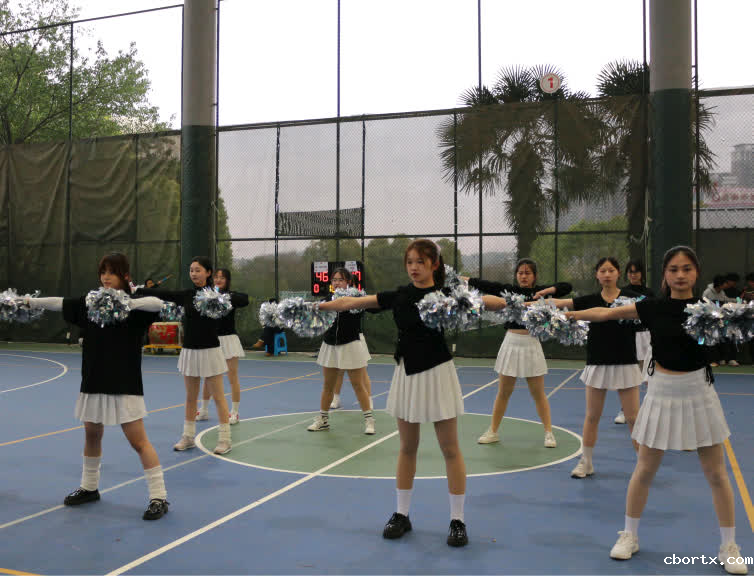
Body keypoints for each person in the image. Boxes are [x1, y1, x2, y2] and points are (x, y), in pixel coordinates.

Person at [565, 246, 748, 574]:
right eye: (674, 269)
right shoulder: (652, 307)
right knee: (645, 469)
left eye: (687, 268)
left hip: (699, 392)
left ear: (696, 272)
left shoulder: (711, 309)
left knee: (717, 474)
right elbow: (606, 313)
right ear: (665, 274)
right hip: (661, 391)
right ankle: (629, 535)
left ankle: (729, 546)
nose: (680, 275)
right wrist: (572, 315)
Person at [320, 239, 503, 547]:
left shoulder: (447, 294)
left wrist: (519, 306)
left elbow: (487, 302)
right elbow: (352, 302)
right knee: (407, 448)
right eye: (410, 262)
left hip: (438, 373)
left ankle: (457, 520)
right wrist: (318, 306)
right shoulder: (400, 295)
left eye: (420, 262)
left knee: (450, 449)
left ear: (434, 264)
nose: (414, 267)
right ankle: (402, 514)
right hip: (406, 373)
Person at [26, 253, 169, 520]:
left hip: (124, 383)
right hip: (93, 380)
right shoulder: (89, 303)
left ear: (125, 276)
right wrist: (28, 301)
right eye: (103, 272)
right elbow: (59, 302)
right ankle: (89, 487)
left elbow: (157, 303)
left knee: (138, 441)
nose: (105, 277)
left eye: (112, 272)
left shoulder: (135, 308)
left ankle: (159, 497)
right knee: (92, 435)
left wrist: (126, 302)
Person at [462, 259, 571, 448]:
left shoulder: (540, 293)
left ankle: (548, 433)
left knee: (538, 394)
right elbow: (489, 286)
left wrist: (546, 292)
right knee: (504, 392)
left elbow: (566, 287)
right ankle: (493, 431)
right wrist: (468, 280)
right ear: (516, 275)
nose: (523, 276)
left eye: (528, 273)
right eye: (520, 273)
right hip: (511, 342)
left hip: (531, 343)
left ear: (534, 276)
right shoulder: (509, 291)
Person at [548, 257, 642, 478]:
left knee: (633, 418)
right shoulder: (588, 300)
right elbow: (561, 303)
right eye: (602, 271)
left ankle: (643, 464)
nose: (607, 274)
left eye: (611, 270)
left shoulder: (632, 299)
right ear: (597, 275)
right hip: (597, 362)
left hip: (626, 362)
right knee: (592, 416)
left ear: (618, 273)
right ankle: (586, 462)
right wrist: (527, 305)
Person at [139, 257, 238, 455]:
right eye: (191, 270)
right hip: (190, 351)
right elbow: (164, 293)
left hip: (210, 351)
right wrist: (138, 290)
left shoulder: (218, 295)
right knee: (191, 397)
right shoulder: (187, 295)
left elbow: (241, 299)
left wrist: (225, 295)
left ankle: (225, 439)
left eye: (198, 270)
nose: (194, 273)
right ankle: (188, 436)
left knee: (218, 397)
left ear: (208, 273)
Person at [307, 267, 375, 434]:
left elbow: (374, 306)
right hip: (330, 345)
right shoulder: (327, 300)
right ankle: (323, 420)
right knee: (327, 386)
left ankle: (369, 421)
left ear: (348, 282)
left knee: (358, 384)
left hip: (350, 345)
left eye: (341, 280)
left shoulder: (357, 298)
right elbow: (316, 314)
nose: (337, 283)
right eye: (334, 280)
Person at [197, 269, 249, 424]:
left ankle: (234, 412)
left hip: (229, 340)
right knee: (208, 377)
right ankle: (204, 410)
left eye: (222, 278)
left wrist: (225, 296)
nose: (218, 280)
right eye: (216, 277)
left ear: (227, 280)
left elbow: (245, 299)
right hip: (212, 340)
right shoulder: (207, 296)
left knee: (232, 377)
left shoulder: (231, 296)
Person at [614, 259, 655, 425]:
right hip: (629, 336)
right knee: (629, 374)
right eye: (630, 272)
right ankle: (625, 410)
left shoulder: (649, 293)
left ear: (642, 274)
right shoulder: (622, 292)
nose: (633, 275)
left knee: (649, 375)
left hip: (646, 336)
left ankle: (649, 410)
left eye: (636, 271)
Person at [703, 276, 738, 367]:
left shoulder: (722, 292)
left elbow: (726, 300)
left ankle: (724, 359)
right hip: (711, 320)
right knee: (712, 340)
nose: (726, 285)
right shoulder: (707, 292)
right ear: (719, 284)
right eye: (725, 283)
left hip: (721, 319)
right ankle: (711, 360)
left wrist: (737, 301)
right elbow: (704, 306)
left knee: (724, 338)